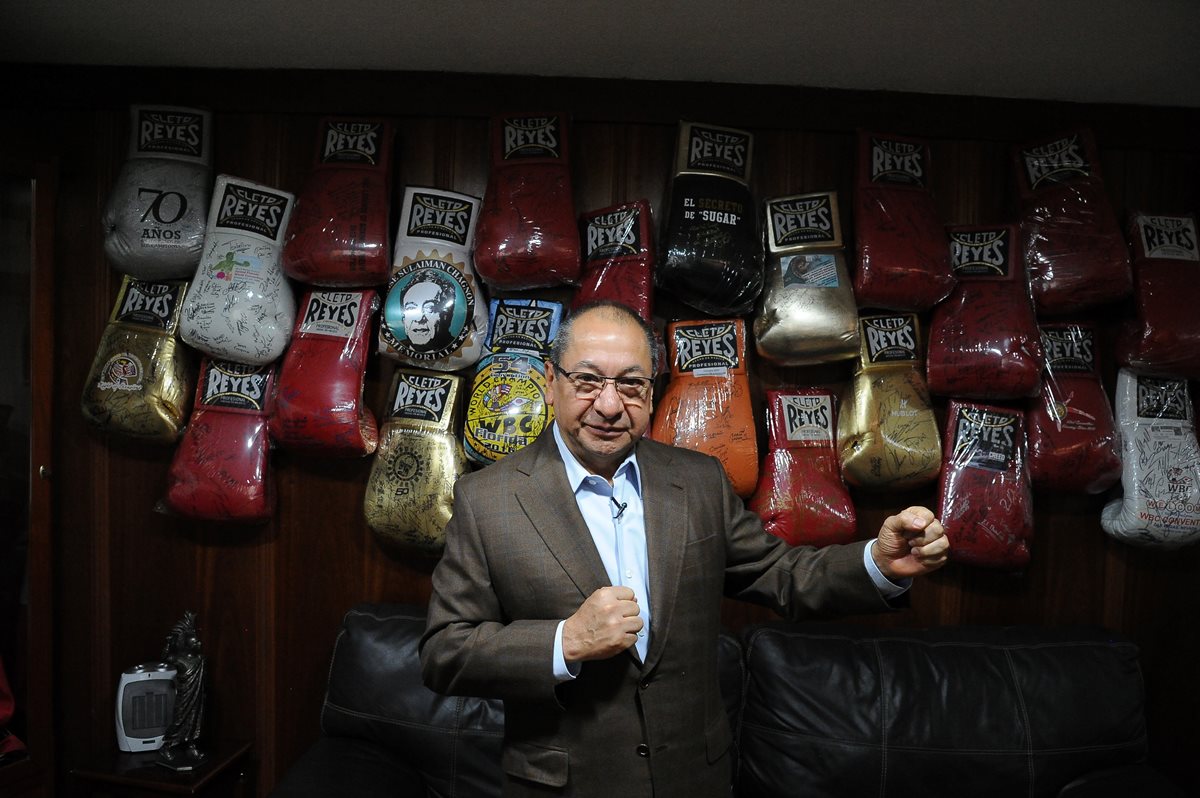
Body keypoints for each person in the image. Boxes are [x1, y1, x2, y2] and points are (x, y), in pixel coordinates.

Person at [420, 300, 949, 797]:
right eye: (587, 381)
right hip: (566, 785)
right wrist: (565, 641)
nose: (609, 405)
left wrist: (878, 563)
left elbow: (782, 573)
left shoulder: (698, 481)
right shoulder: (486, 500)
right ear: (550, 382)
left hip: (695, 778)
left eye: (631, 384)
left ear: (652, 393)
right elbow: (445, 652)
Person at [400, 269, 457, 353]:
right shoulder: (395, 348)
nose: (419, 318)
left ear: (446, 316)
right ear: (404, 320)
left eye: (430, 308)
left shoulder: (458, 348)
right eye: (411, 308)